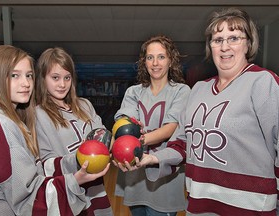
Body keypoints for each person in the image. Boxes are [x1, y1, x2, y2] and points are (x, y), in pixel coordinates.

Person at [165, 7, 279, 215]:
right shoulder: (199, 89)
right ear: (210, 47)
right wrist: (151, 159)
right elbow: (183, 143)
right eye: (217, 40)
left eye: (234, 38)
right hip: (200, 202)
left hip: (249, 207)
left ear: (248, 44)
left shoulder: (262, 82)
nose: (225, 46)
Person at [0, 45, 110, 216]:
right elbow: (28, 196)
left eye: (28, 75)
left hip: (84, 188)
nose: (25, 83)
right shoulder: (3, 124)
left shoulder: (13, 120)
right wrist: (76, 176)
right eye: (14, 75)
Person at [113, 35, 191, 216]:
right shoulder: (134, 92)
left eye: (161, 57)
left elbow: (171, 127)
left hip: (164, 180)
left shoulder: (181, 91)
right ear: (144, 62)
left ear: (171, 61)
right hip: (135, 177)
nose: (155, 63)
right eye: (150, 57)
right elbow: (124, 123)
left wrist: (138, 140)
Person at [35, 47, 113, 216]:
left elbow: (104, 138)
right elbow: (46, 165)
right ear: (43, 78)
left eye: (67, 78)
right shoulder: (38, 114)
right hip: (68, 194)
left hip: (96, 190)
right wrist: (81, 159)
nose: (62, 84)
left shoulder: (85, 105)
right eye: (55, 78)